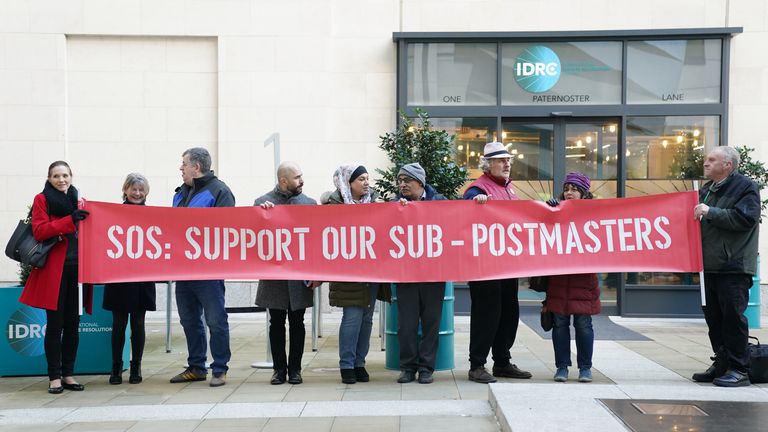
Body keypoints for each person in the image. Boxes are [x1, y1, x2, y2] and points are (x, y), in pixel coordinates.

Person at [20, 161, 91, 394]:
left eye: (65, 175)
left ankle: (69, 374)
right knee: (55, 324)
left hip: (76, 269)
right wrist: (70, 220)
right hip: (54, 270)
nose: (62, 180)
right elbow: (40, 230)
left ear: (71, 176)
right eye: (56, 176)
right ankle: (54, 377)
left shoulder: (76, 197)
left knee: (73, 324)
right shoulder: (42, 199)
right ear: (49, 178)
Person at [464, 142, 532, 383]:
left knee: (508, 313)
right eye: (501, 160)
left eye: (508, 160)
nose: (507, 164)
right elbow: (464, 212)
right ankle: (477, 364)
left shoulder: (509, 189)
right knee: (486, 314)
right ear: (488, 164)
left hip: (507, 265)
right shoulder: (477, 189)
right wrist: (476, 202)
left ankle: (502, 361)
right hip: (485, 268)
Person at [692, 146, 760, 387]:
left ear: (727, 165)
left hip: (733, 265)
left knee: (733, 318)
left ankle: (739, 368)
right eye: (706, 159)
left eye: (712, 160)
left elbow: (746, 219)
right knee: (715, 319)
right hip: (709, 266)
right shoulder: (706, 189)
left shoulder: (745, 187)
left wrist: (711, 212)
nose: (706, 163)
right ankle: (722, 364)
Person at [169, 147, 235, 387]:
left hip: (209, 272)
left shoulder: (220, 191)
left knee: (216, 320)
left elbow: (227, 231)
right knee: (189, 320)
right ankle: (196, 367)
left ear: (196, 167)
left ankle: (219, 368)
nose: (181, 168)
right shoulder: (180, 194)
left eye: (184, 164)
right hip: (183, 271)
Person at [322, 164, 391, 384]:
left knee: (367, 318)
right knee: (352, 317)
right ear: (348, 182)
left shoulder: (375, 203)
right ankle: (346, 365)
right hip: (348, 272)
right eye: (361, 179)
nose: (366, 183)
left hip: (371, 271)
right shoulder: (333, 205)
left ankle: (360, 363)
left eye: (367, 178)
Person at [255, 161, 318, 385]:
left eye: (301, 176)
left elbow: (315, 242)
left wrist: (317, 274)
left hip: (299, 276)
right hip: (275, 277)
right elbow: (255, 237)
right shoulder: (262, 203)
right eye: (297, 177)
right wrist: (262, 216)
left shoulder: (310, 204)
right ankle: (279, 370)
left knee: (298, 322)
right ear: (283, 181)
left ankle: (296, 370)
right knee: (276, 323)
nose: (302, 181)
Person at [544, 172, 600, 383]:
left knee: (583, 323)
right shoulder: (554, 209)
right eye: (566, 189)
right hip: (559, 278)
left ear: (584, 194)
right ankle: (562, 367)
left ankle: (585, 368)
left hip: (583, 280)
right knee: (559, 323)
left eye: (574, 189)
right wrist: (548, 209)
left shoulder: (595, 214)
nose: (569, 193)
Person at [395, 163, 447, 384]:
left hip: (434, 274)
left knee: (431, 321)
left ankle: (426, 368)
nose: (402, 184)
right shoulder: (396, 205)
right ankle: (407, 367)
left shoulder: (441, 203)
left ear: (420, 182)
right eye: (400, 180)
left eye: (407, 180)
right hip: (406, 275)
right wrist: (398, 211)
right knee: (406, 324)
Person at [103, 173, 156, 385]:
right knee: (118, 324)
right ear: (125, 190)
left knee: (138, 323)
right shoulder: (113, 213)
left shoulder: (153, 215)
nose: (137, 193)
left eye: (141, 190)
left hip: (143, 276)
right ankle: (116, 367)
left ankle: (136, 366)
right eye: (133, 189)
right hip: (119, 275)